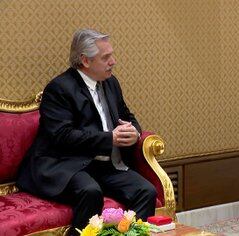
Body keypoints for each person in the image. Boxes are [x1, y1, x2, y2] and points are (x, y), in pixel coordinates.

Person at [17, 29, 156, 235]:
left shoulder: (111, 82)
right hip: (69, 163)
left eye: (112, 55)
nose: (113, 61)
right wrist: (110, 138)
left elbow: (127, 115)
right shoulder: (59, 88)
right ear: (85, 60)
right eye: (106, 57)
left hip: (106, 164)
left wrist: (134, 132)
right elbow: (62, 135)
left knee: (146, 191)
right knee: (90, 191)